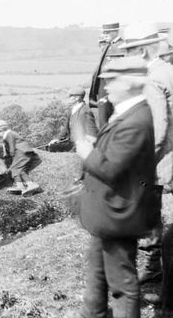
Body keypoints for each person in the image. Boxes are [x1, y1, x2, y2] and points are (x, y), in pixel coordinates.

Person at [72, 57, 159, 318]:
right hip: (109, 212)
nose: (106, 87)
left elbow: (111, 169)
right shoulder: (128, 112)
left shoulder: (136, 120)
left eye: (112, 81)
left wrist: (88, 152)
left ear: (131, 82)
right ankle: (92, 313)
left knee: (122, 284)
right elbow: (118, 154)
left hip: (120, 213)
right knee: (97, 272)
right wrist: (97, 143)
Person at [119, 22, 173, 287]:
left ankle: (155, 269)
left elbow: (159, 130)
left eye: (129, 52)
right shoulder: (169, 70)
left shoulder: (153, 79)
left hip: (162, 160)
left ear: (142, 53)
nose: (127, 58)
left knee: (154, 213)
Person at [0, 120, 42, 196]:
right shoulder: (9, 135)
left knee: (16, 169)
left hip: (22, 153)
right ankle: (20, 185)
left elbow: (11, 147)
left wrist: (11, 153)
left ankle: (30, 184)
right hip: (22, 153)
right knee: (18, 170)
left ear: (1, 130)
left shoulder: (9, 134)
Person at [89, 22, 124, 127]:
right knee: (103, 121)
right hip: (103, 89)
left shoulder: (121, 46)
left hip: (110, 90)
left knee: (107, 122)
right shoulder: (109, 46)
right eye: (104, 32)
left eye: (107, 32)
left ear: (116, 32)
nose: (104, 34)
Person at [48, 87, 98, 152]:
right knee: (51, 147)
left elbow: (92, 133)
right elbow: (66, 128)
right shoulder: (72, 109)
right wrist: (57, 139)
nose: (69, 98)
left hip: (80, 145)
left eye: (70, 96)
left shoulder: (85, 111)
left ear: (77, 98)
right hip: (71, 143)